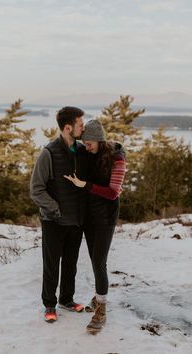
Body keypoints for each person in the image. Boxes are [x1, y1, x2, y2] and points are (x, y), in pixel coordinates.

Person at [64, 119, 126, 333]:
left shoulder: (117, 159)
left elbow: (113, 192)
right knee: (96, 259)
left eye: (89, 143)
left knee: (99, 261)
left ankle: (101, 308)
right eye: (84, 143)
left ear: (99, 140)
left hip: (106, 217)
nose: (86, 147)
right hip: (89, 216)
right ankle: (100, 293)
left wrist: (85, 185)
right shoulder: (89, 154)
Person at [30, 106, 87, 323]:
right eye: (80, 125)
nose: (83, 128)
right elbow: (36, 189)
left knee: (71, 264)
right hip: (53, 220)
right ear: (67, 127)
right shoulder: (48, 153)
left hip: (76, 220)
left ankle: (66, 299)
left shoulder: (81, 151)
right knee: (52, 265)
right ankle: (49, 305)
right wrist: (54, 209)